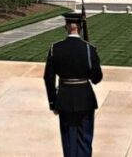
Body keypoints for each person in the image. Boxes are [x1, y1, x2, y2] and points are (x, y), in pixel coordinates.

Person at [43, 12, 103, 157]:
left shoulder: (55, 48)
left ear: (66, 27)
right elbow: (96, 78)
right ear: (81, 28)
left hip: (64, 99)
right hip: (85, 99)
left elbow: (48, 77)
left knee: (69, 140)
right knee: (85, 139)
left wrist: (53, 102)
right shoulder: (89, 49)